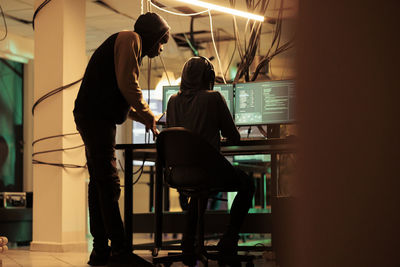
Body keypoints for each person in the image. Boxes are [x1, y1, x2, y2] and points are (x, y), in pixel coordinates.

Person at [73, 12, 170, 267]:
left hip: (92, 115)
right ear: (152, 36)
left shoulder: (128, 47)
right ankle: (120, 252)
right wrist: (149, 113)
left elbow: (122, 101)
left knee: (99, 184)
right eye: (161, 42)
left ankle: (100, 252)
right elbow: (128, 85)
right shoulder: (131, 39)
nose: (160, 49)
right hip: (95, 118)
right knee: (110, 183)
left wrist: (148, 119)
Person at [166, 56, 255, 266]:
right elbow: (234, 137)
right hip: (207, 172)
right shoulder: (213, 98)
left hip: (178, 174)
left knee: (197, 192)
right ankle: (229, 240)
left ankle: (188, 243)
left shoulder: (172, 101)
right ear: (209, 77)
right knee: (247, 184)